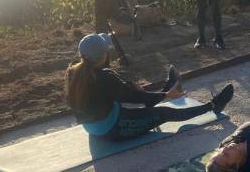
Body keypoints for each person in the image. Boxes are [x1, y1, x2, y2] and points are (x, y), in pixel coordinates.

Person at [65, 33, 234, 141]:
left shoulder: (73, 72)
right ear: (103, 55)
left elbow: (127, 94)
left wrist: (162, 94)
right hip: (111, 130)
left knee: (130, 89)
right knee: (165, 113)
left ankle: (166, 89)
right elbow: (135, 97)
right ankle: (212, 106)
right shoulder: (105, 78)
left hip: (94, 126)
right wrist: (166, 95)